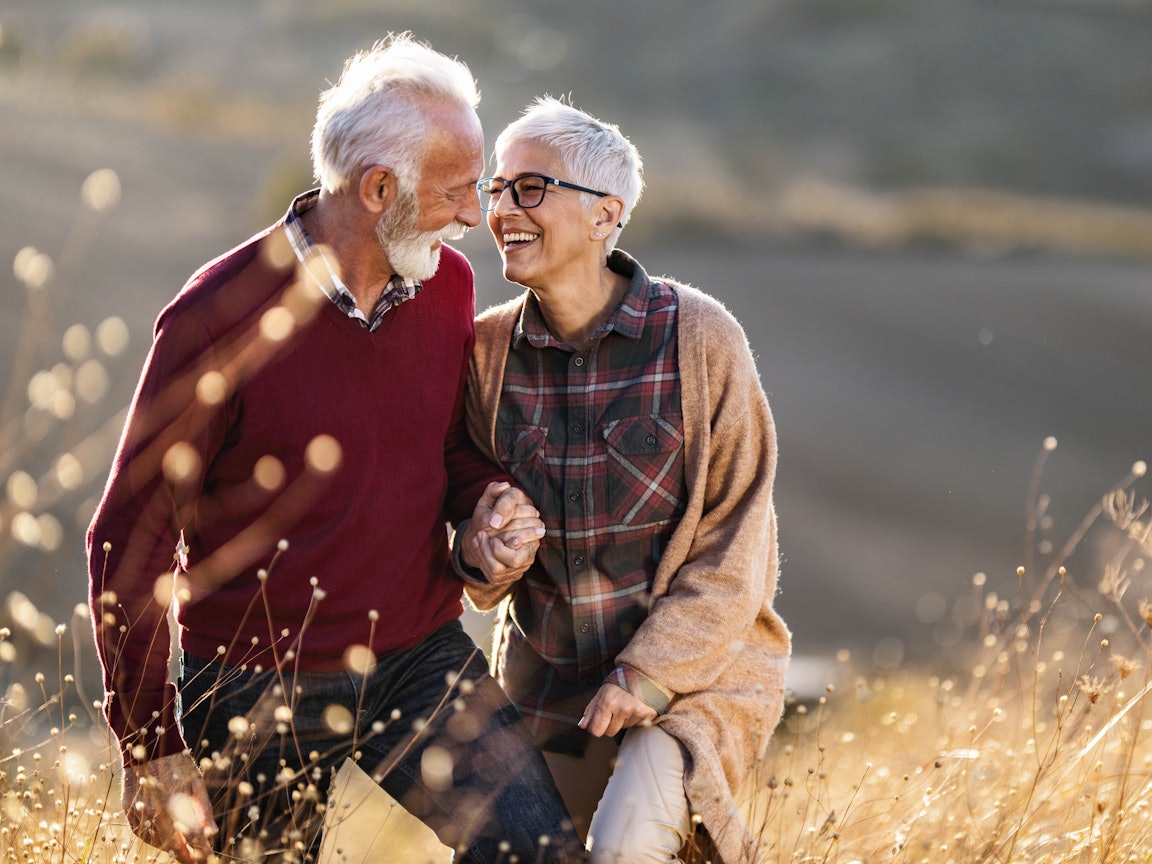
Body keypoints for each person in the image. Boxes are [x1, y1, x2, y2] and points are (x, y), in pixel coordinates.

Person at [86, 36, 583, 864]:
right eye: (458, 192)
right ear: (379, 189)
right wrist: (149, 746)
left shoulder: (446, 285)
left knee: (542, 854)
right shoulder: (218, 317)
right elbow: (128, 537)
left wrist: (485, 500)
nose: (474, 216)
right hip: (252, 687)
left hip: (420, 660)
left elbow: (445, 443)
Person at [462, 97, 792, 864]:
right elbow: (459, 508)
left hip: (692, 680)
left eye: (530, 188)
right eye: (496, 189)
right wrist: (478, 550)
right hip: (548, 690)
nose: (503, 209)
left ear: (606, 215)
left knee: (628, 843)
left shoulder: (700, 336)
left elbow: (739, 544)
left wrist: (645, 676)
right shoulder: (482, 353)